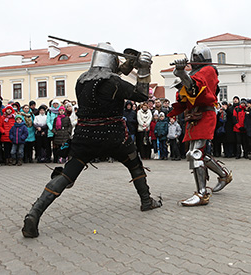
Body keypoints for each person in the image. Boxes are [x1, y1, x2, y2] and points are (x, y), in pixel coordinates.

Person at [22, 45, 161, 238]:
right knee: (134, 164)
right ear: (113, 62)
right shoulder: (114, 82)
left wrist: (128, 64)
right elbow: (141, 95)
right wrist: (144, 69)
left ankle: (35, 213)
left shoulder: (81, 80)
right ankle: (146, 200)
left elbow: (108, 77)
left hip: (85, 138)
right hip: (114, 137)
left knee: (66, 175)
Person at [169, 45, 232, 206]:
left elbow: (195, 89)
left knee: (195, 153)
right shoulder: (194, 73)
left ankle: (202, 194)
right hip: (193, 116)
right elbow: (186, 96)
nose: (194, 60)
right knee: (199, 153)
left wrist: (182, 73)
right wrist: (182, 75)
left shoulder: (209, 70)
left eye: (196, 58)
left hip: (204, 114)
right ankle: (224, 174)